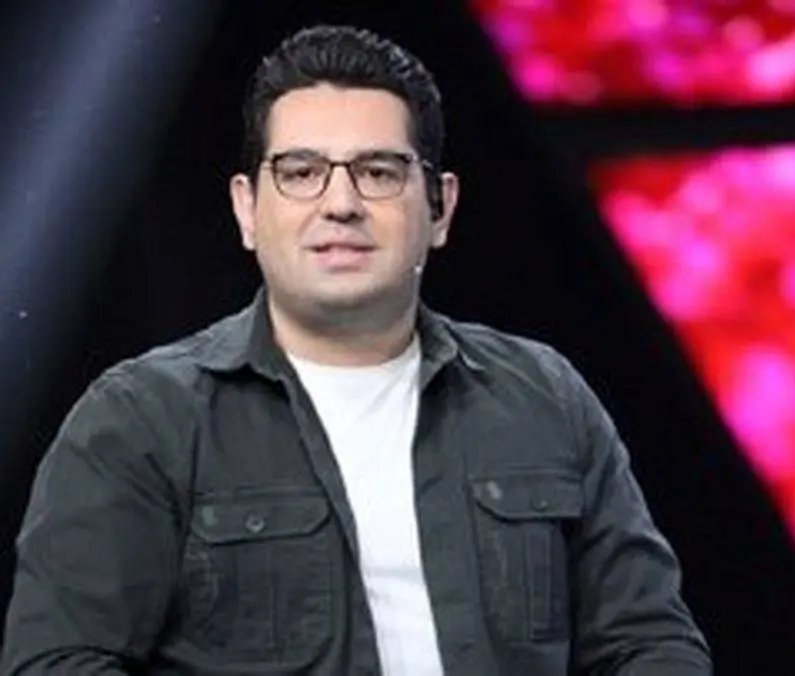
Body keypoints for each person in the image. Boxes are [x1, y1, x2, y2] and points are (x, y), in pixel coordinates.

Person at [0, 24, 711, 676]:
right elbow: (57, 664)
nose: (340, 203)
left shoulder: (543, 396)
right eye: (301, 172)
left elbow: (649, 644)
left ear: (440, 207)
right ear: (247, 209)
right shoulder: (140, 419)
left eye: (377, 172)